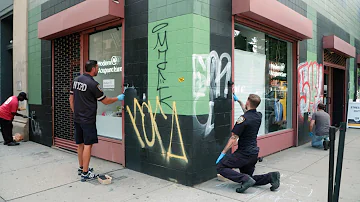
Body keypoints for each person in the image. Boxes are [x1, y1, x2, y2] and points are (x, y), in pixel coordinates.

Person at [69, 60, 125, 182]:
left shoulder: (76, 80)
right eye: (97, 68)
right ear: (93, 68)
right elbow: (105, 101)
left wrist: (75, 112)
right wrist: (118, 98)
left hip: (78, 118)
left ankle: (81, 167)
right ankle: (85, 173)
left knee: (80, 144)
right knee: (88, 145)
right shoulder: (93, 84)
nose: (98, 70)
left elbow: (71, 98)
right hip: (88, 119)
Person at [216, 94, 280, 193]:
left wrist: (223, 152)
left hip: (244, 154)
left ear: (248, 102)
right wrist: (239, 101)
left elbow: (233, 138)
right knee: (250, 178)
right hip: (253, 154)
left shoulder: (243, 118)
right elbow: (247, 113)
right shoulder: (258, 116)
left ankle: (245, 180)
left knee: (221, 166)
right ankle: (271, 177)